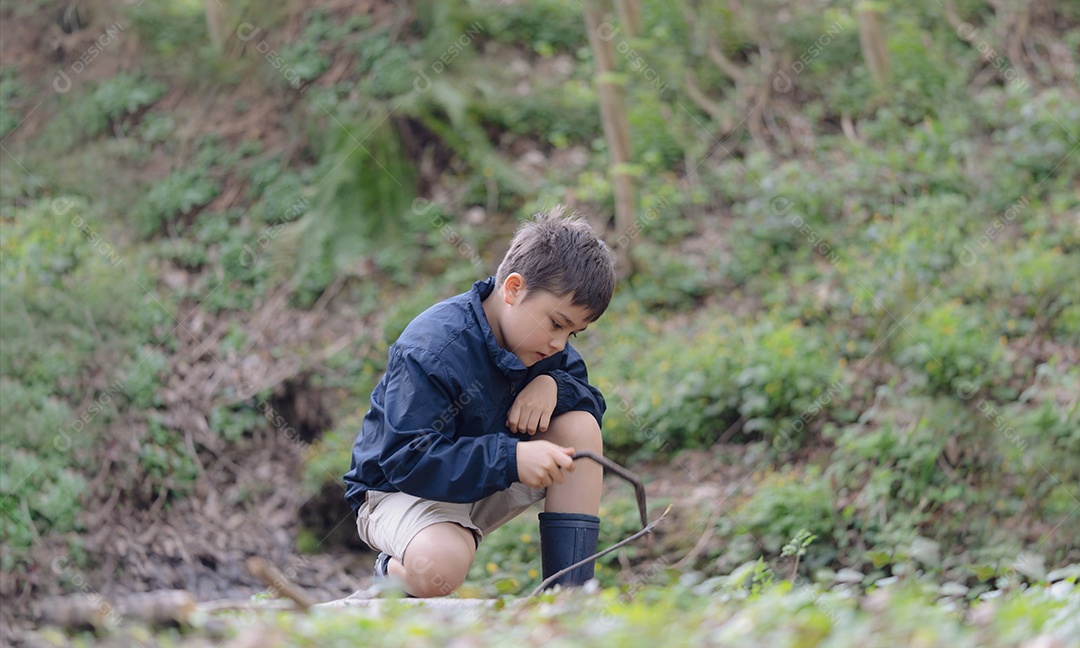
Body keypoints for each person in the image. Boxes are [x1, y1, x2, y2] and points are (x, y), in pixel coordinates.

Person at [343, 206, 616, 598]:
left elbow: (591, 399)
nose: (560, 342)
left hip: (478, 480)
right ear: (513, 289)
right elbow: (406, 459)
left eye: (575, 333)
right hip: (396, 488)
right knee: (442, 566)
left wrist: (556, 386)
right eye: (557, 323)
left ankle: (569, 600)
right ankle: (394, 575)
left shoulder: (545, 348)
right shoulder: (433, 348)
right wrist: (512, 459)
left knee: (579, 428)